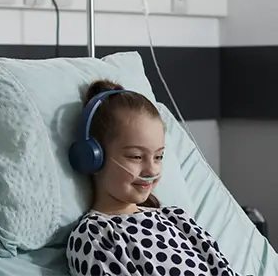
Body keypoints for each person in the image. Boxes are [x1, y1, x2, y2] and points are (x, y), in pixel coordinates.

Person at [66, 79, 246, 276]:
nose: (151, 170)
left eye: (159, 157)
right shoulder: (95, 235)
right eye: (136, 156)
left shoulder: (177, 219)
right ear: (91, 156)